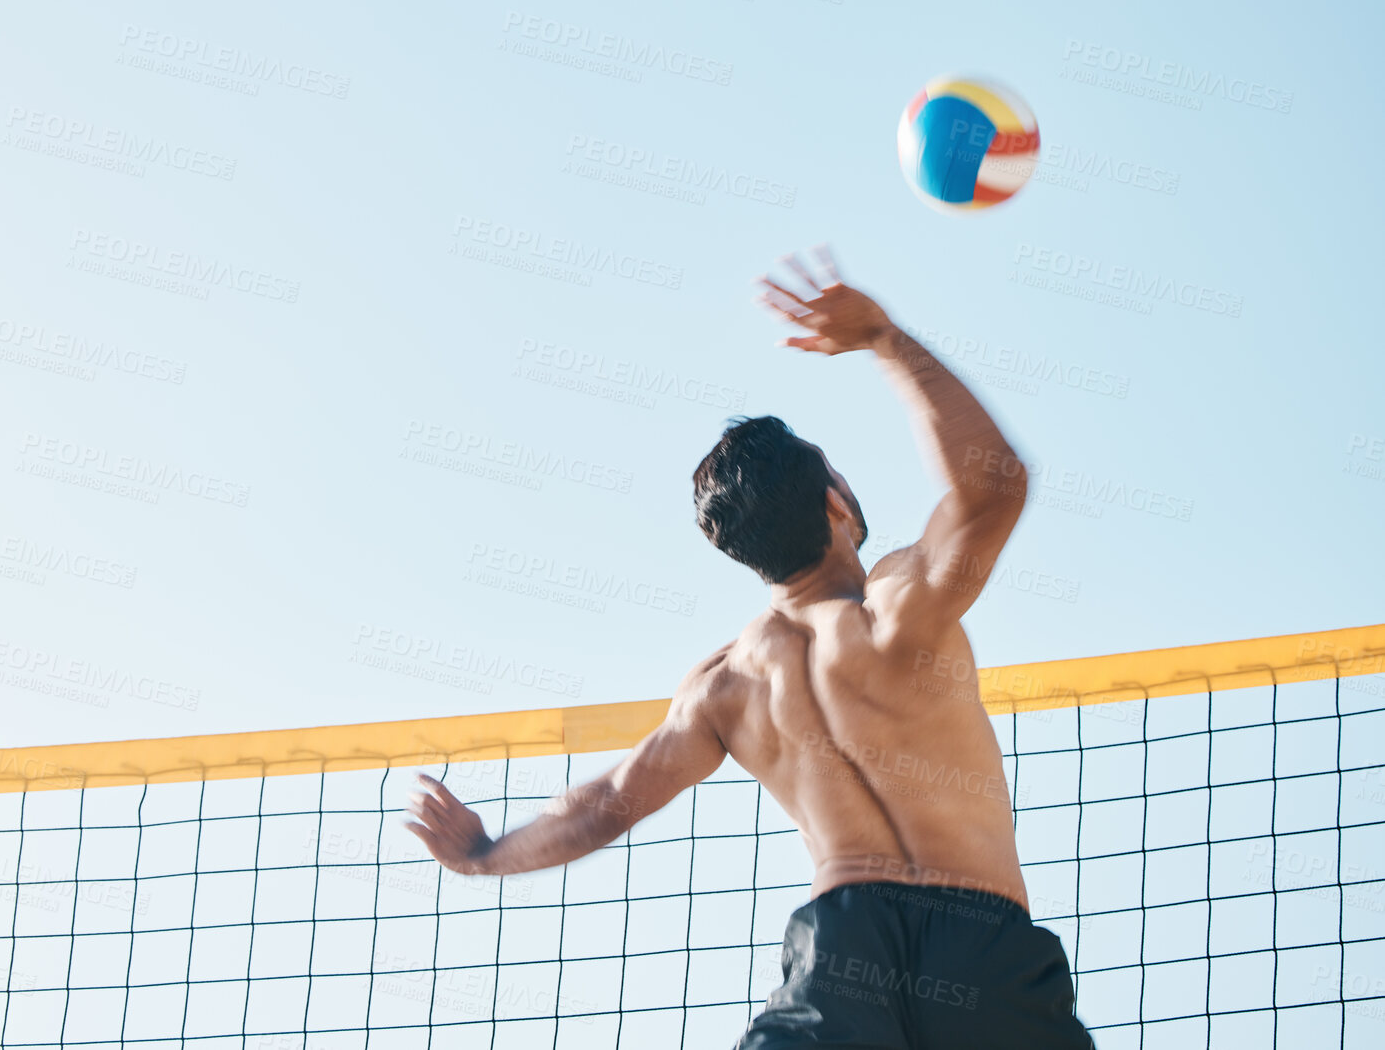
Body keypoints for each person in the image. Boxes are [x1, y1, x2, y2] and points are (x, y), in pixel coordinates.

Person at [404, 246, 1094, 1048]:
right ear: (837, 501)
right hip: (978, 945)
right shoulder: (898, 603)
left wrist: (486, 853)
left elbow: (607, 804)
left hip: (842, 962)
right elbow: (994, 482)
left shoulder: (726, 686)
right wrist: (883, 339)